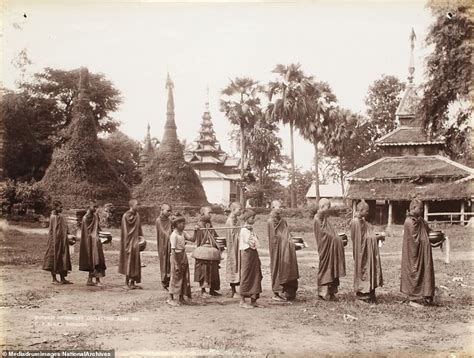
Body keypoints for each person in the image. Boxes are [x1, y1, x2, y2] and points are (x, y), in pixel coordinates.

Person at [401, 199, 435, 307]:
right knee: (414, 272)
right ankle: (413, 299)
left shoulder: (420, 221)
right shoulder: (409, 222)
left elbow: (427, 231)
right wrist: (427, 240)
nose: (422, 210)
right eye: (420, 208)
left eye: (422, 208)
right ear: (413, 208)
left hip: (423, 252)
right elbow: (415, 239)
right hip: (413, 254)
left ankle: (426, 295)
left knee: (425, 271)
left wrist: (436, 235)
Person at [313, 198, 346, 300]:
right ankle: (323, 292)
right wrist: (338, 240)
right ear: (322, 206)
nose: (329, 209)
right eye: (328, 207)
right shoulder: (317, 218)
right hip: (325, 248)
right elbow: (323, 233)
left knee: (333, 266)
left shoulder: (325, 218)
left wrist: (337, 237)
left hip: (331, 246)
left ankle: (331, 292)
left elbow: (331, 231)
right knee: (325, 268)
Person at [350, 201, 383, 303]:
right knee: (364, 271)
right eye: (366, 211)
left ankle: (369, 293)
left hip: (367, 251)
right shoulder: (356, 222)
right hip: (362, 253)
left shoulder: (362, 221)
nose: (368, 213)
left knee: (370, 270)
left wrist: (374, 235)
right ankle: (362, 295)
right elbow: (361, 240)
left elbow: (367, 234)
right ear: (360, 210)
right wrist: (376, 237)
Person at [267, 200, 299, 301]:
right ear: (272, 208)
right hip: (278, 250)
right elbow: (274, 238)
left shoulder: (283, 220)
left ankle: (289, 291)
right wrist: (287, 241)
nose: (281, 209)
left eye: (282, 207)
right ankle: (277, 292)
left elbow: (286, 233)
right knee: (278, 267)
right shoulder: (270, 221)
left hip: (287, 249)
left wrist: (292, 241)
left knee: (289, 267)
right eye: (279, 207)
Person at [42, 200, 73, 284]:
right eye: (60, 207)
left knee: (63, 258)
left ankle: (63, 278)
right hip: (54, 242)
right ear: (55, 208)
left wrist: (68, 236)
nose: (62, 209)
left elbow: (64, 229)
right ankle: (54, 279)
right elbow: (55, 231)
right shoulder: (53, 217)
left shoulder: (60, 217)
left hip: (62, 241)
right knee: (54, 258)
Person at [193, 206, 221, 296]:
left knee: (213, 269)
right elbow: (207, 236)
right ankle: (203, 290)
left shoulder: (209, 223)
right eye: (209, 213)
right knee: (203, 269)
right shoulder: (200, 224)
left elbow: (214, 235)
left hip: (211, 250)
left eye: (211, 213)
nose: (211, 215)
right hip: (203, 251)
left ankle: (212, 290)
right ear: (203, 214)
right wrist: (215, 242)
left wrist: (220, 242)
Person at [238, 209, 263, 309]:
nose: (254, 220)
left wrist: (253, 233)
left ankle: (254, 300)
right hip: (247, 254)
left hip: (254, 254)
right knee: (247, 276)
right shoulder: (244, 230)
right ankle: (242, 300)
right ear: (247, 219)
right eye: (252, 218)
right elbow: (253, 243)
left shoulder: (250, 229)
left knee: (256, 275)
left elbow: (257, 241)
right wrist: (253, 236)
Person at [79, 201, 106, 286]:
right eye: (94, 207)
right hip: (90, 243)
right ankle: (94, 280)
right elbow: (86, 233)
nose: (95, 209)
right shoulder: (85, 218)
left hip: (96, 241)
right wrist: (94, 238)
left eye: (96, 207)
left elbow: (98, 228)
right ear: (88, 207)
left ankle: (92, 280)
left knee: (98, 259)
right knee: (93, 260)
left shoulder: (95, 216)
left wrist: (104, 236)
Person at [167, 214, 192, 306]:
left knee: (184, 276)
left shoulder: (183, 233)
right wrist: (176, 264)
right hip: (176, 256)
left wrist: (196, 231)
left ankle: (181, 297)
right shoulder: (174, 235)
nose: (183, 225)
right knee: (175, 276)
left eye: (184, 223)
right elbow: (172, 250)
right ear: (176, 224)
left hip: (183, 255)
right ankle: (170, 298)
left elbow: (192, 239)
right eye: (181, 223)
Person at [118, 199, 144, 289]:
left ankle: (133, 282)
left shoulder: (137, 215)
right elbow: (125, 232)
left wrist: (141, 238)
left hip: (136, 242)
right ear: (131, 206)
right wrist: (129, 243)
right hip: (128, 242)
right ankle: (126, 283)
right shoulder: (125, 216)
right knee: (128, 261)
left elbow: (139, 229)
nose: (139, 206)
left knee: (135, 261)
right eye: (137, 205)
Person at [225, 202, 242, 297]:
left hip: (238, 246)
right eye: (239, 209)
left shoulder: (237, 219)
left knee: (238, 265)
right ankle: (233, 290)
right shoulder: (230, 221)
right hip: (233, 247)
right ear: (233, 210)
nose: (241, 211)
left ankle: (238, 288)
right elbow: (232, 235)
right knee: (233, 265)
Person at [156, 204, 173, 290]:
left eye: (170, 211)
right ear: (162, 210)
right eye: (167, 211)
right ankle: (164, 283)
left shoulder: (169, 220)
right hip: (163, 245)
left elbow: (172, 229)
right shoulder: (158, 220)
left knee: (170, 263)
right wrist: (172, 237)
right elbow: (163, 232)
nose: (169, 212)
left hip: (170, 244)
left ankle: (170, 281)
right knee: (164, 263)